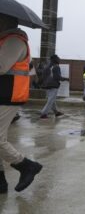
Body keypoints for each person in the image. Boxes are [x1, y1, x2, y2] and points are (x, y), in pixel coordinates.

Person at [0, 13, 43, 193]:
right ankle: (1, 182)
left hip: (7, 96)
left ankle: (25, 165)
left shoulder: (14, 41)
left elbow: (1, 66)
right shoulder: (5, 40)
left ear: (6, 20)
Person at [40, 54, 69, 119]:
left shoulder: (46, 67)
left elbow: (43, 76)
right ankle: (43, 113)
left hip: (47, 85)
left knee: (51, 99)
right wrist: (66, 79)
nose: (59, 59)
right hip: (53, 85)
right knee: (50, 100)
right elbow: (57, 77)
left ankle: (56, 112)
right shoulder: (56, 66)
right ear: (55, 59)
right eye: (58, 58)